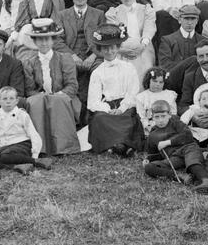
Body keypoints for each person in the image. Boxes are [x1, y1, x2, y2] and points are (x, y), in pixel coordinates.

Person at [22, 18, 81, 156]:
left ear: (53, 40)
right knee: (34, 101)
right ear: (34, 41)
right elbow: (29, 89)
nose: (43, 43)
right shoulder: (29, 62)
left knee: (57, 100)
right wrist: (42, 96)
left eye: (47, 39)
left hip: (63, 98)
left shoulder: (65, 58)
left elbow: (72, 86)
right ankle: (40, 147)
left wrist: (56, 95)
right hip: (40, 100)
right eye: (39, 39)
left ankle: (63, 147)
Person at [86, 24, 144, 156]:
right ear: (100, 50)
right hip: (107, 106)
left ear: (118, 48)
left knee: (128, 117)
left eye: (112, 48)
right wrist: (107, 109)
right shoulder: (97, 72)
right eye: (105, 48)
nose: (109, 51)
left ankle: (122, 145)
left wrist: (122, 108)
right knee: (100, 119)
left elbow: (133, 92)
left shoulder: (129, 68)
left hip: (125, 104)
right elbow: (93, 100)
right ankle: (116, 146)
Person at [142, 99, 208, 193]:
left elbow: (187, 136)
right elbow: (155, 153)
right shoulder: (153, 135)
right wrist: (148, 159)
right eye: (157, 117)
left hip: (188, 148)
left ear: (169, 115)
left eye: (163, 116)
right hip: (175, 157)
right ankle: (180, 177)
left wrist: (168, 142)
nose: (160, 120)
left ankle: (206, 181)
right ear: (152, 117)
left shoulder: (175, 122)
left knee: (192, 162)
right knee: (149, 167)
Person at [0, 86, 47, 175]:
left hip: (22, 144)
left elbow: (33, 135)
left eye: (11, 98)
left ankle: (36, 161)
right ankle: (16, 167)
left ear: (16, 101)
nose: (8, 101)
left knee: (5, 157)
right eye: (5, 99)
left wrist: (35, 154)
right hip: (5, 147)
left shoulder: (22, 114)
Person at [104, 0, 156, 76]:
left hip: (143, 48)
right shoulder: (113, 13)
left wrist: (142, 45)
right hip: (122, 50)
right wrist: (122, 49)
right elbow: (113, 34)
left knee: (146, 69)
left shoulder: (146, 10)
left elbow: (149, 29)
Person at [134, 66, 178, 136]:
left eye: (161, 82)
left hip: (167, 126)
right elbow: (141, 116)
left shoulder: (169, 95)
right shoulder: (142, 97)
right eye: (155, 81)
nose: (157, 84)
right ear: (148, 81)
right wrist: (148, 127)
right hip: (151, 127)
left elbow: (173, 113)